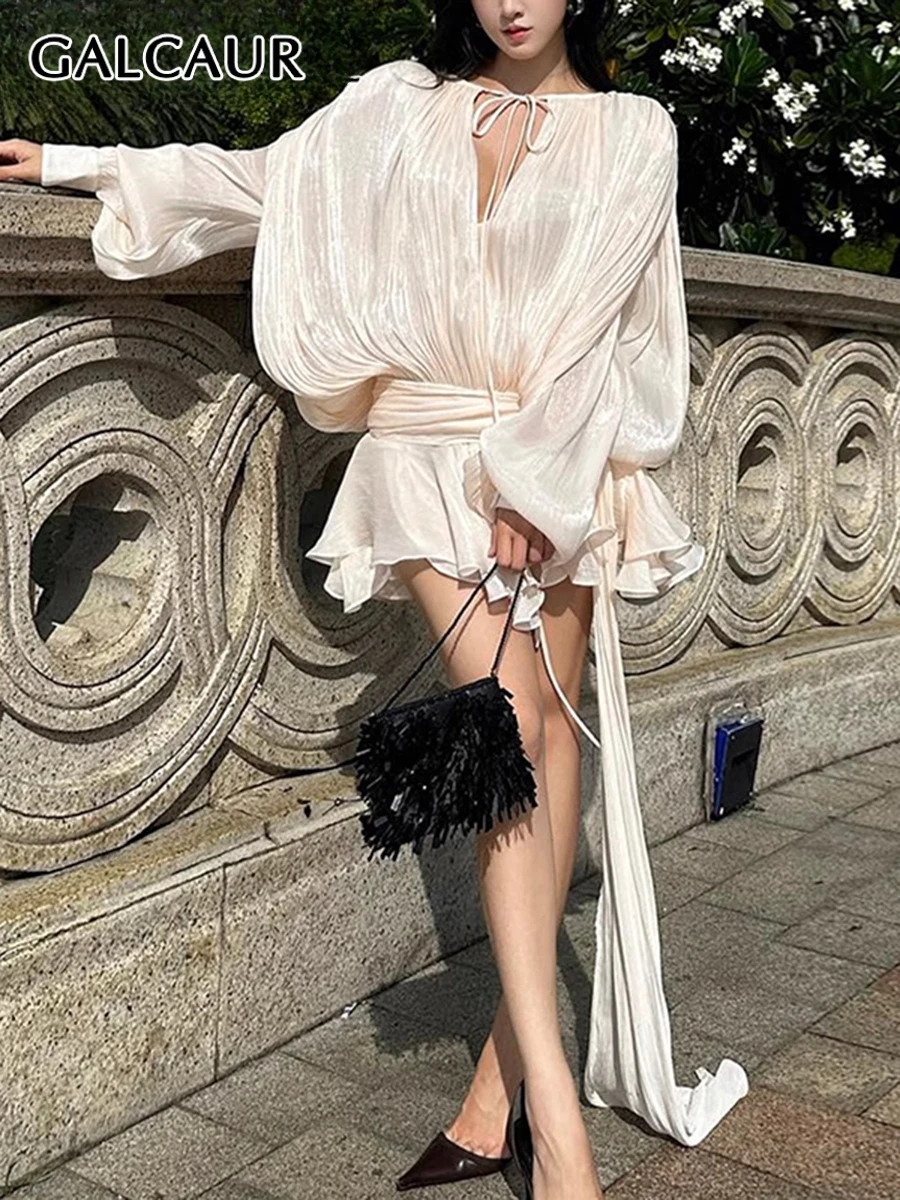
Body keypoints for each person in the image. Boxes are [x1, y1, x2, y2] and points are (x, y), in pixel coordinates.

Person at [1, 2, 750, 1197]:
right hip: (423, 456)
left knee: (551, 734)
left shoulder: (632, 132)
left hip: (560, 463)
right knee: (506, 731)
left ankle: (498, 1095)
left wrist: (540, 486)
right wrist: (78, 161)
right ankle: (562, 1134)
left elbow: (605, 330)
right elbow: (267, 181)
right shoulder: (398, 105)